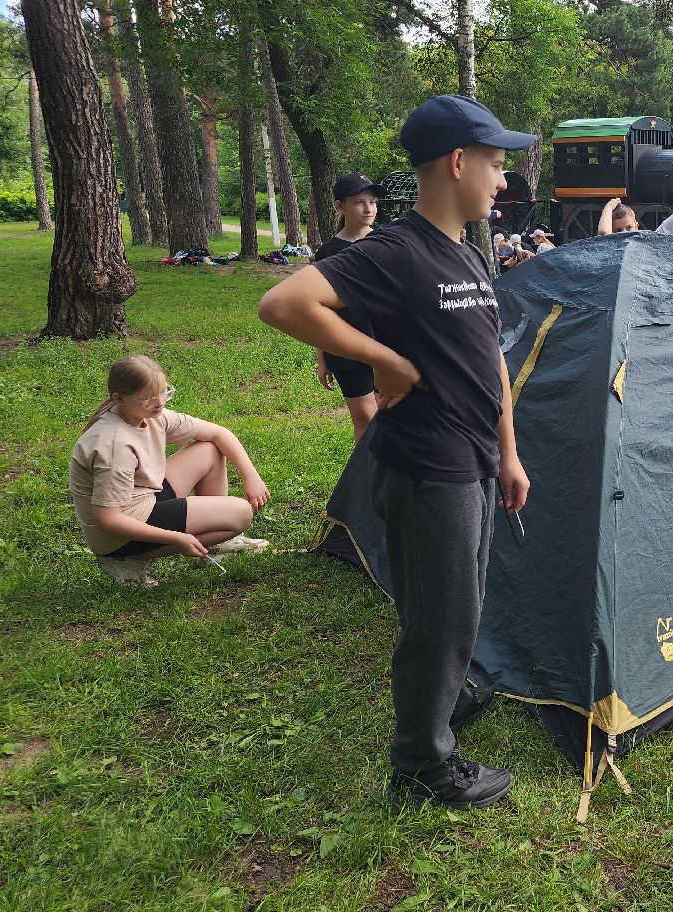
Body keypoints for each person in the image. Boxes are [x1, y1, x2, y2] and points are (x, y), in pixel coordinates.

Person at [258, 93, 533, 811]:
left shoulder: (471, 255)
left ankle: (443, 700)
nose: (503, 181)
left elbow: (492, 361)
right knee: (438, 615)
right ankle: (422, 763)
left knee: (459, 602)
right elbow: (285, 305)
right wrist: (388, 360)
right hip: (426, 466)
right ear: (458, 161)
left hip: (472, 458)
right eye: (498, 165)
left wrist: (509, 452)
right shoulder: (397, 250)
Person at [69, 355, 271, 588]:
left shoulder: (148, 414)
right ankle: (127, 560)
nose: (159, 402)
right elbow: (107, 519)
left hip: (144, 497)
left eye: (164, 392)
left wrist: (251, 476)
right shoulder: (114, 445)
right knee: (241, 513)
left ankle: (217, 543)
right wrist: (175, 538)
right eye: (148, 398)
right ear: (119, 398)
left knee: (209, 449)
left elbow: (218, 434)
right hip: (119, 534)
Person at [313, 173, 383, 441]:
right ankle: (365, 481)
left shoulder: (387, 243)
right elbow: (319, 310)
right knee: (366, 421)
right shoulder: (328, 253)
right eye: (359, 202)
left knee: (389, 417)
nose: (369, 209)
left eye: (373, 202)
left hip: (387, 345)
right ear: (340, 206)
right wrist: (323, 359)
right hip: (345, 349)